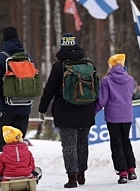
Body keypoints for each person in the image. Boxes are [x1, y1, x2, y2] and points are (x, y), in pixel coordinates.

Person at [38, 33, 96, 188]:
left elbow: (49, 89)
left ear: (62, 47)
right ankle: (81, 174)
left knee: (69, 145)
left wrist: (42, 108)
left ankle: (72, 178)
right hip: (86, 109)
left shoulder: (59, 66)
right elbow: (96, 87)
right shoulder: (89, 64)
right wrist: (94, 107)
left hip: (65, 110)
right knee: (82, 143)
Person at [95, 54, 137, 184]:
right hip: (127, 115)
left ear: (111, 65)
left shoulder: (107, 80)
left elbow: (102, 100)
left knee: (116, 143)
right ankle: (131, 169)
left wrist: (92, 112)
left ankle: (122, 172)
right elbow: (133, 89)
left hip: (113, 117)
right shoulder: (130, 79)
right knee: (126, 141)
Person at [0, 26, 32, 152]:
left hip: (5, 107)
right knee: (19, 141)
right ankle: (19, 169)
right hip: (25, 106)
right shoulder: (27, 58)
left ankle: (1, 168)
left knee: (2, 141)